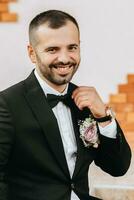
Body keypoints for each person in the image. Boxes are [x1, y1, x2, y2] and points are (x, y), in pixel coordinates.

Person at [0, 10, 131, 200]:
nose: (64, 58)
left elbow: (118, 168)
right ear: (32, 53)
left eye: (72, 47)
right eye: (52, 49)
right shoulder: (6, 105)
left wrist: (103, 116)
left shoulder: (86, 102)